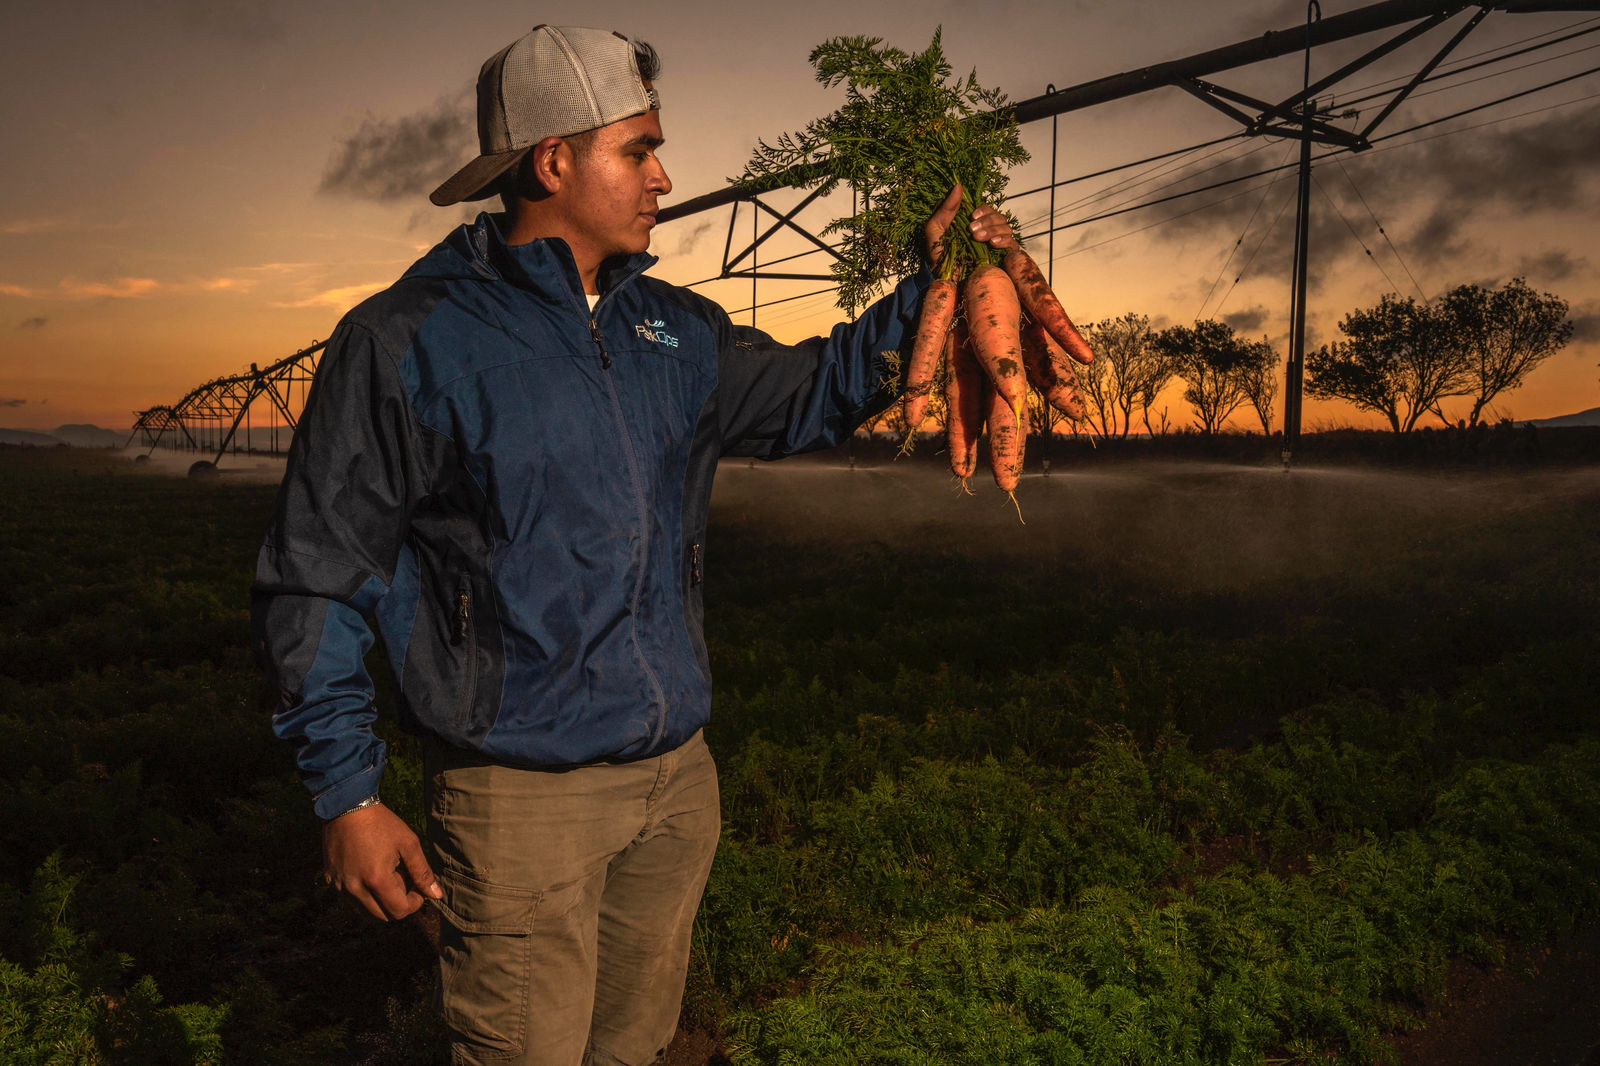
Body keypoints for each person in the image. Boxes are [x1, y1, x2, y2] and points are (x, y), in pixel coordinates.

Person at [251, 23, 1016, 1066]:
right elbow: (318, 572)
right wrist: (346, 792)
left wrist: (933, 287)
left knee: (632, 1052)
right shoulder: (409, 338)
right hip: (520, 798)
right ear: (553, 161)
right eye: (638, 150)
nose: (665, 177)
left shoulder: (673, 330)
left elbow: (811, 395)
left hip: (673, 785)